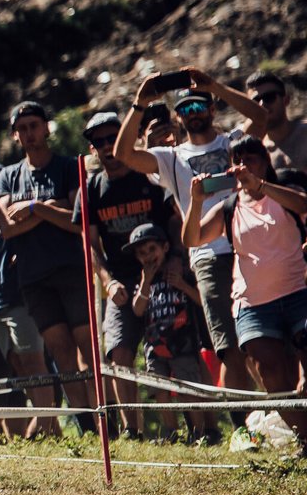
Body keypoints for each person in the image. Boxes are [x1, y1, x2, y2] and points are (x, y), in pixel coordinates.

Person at [114, 68, 269, 398]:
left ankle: (278, 413)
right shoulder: (171, 158)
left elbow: (261, 116)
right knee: (228, 347)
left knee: (261, 339)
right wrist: (139, 102)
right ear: (178, 118)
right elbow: (123, 155)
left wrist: (216, 86)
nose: (193, 114)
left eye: (199, 107)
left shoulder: (233, 143)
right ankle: (244, 427)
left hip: (250, 247)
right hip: (208, 255)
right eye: (185, 109)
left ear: (212, 110)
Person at [179, 136, 307, 449]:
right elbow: (192, 238)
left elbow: (303, 204)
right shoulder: (229, 207)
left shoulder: (284, 191)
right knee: (269, 371)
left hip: (298, 293)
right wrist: (195, 200)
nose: (245, 164)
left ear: (265, 161)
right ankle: (305, 438)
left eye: (252, 158)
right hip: (254, 303)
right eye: (239, 160)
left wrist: (260, 185)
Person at [76, 110, 177, 433]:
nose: (107, 146)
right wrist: (107, 281)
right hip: (119, 279)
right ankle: (133, 430)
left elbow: (174, 219)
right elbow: (90, 245)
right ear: (92, 148)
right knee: (118, 352)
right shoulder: (90, 188)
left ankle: (184, 427)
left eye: (112, 138)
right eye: (99, 141)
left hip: (161, 275)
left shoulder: (148, 176)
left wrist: (175, 260)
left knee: (170, 349)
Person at [0, 102, 95, 413]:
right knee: (60, 349)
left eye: (34, 126)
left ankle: (109, 417)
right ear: (15, 135)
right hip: (34, 277)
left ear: (46, 128)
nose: (29, 133)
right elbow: (8, 229)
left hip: (72, 269)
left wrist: (36, 209)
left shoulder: (68, 167)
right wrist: (55, 206)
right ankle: (85, 419)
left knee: (86, 347)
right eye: (22, 129)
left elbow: (78, 221)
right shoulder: (7, 177)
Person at [0, 161, 57, 439]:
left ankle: (45, 423)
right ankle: (45, 423)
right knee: (15, 366)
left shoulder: (16, 220)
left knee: (34, 362)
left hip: (19, 301)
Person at [127, 223, 216, 440]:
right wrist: (145, 282)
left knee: (188, 387)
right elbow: (138, 309)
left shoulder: (180, 272)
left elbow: (201, 302)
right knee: (160, 388)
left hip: (183, 343)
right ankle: (171, 431)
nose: (148, 257)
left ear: (165, 248)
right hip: (154, 346)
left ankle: (199, 432)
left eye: (152, 250)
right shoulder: (143, 281)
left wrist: (183, 285)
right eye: (141, 253)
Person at [250, 71, 307, 170]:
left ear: (286, 100)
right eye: (256, 101)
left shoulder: (304, 134)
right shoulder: (257, 153)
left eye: (269, 97)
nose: (262, 104)